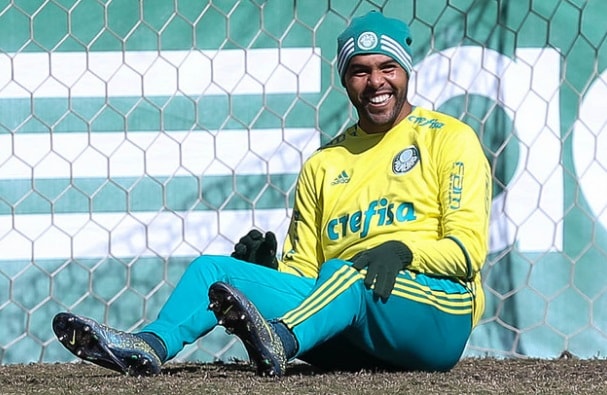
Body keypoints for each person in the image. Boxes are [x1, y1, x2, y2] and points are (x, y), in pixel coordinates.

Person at [52, 10, 491, 378]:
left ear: (405, 71)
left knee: (347, 271)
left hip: (434, 316)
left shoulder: (448, 139)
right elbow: (307, 272)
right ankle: (147, 347)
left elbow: (467, 251)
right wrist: (270, 272)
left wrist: (402, 253)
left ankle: (276, 341)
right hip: (348, 323)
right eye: (360, 70)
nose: (375, 81)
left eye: (386, 68)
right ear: (345, 81)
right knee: (214, 272)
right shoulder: (325, 162)